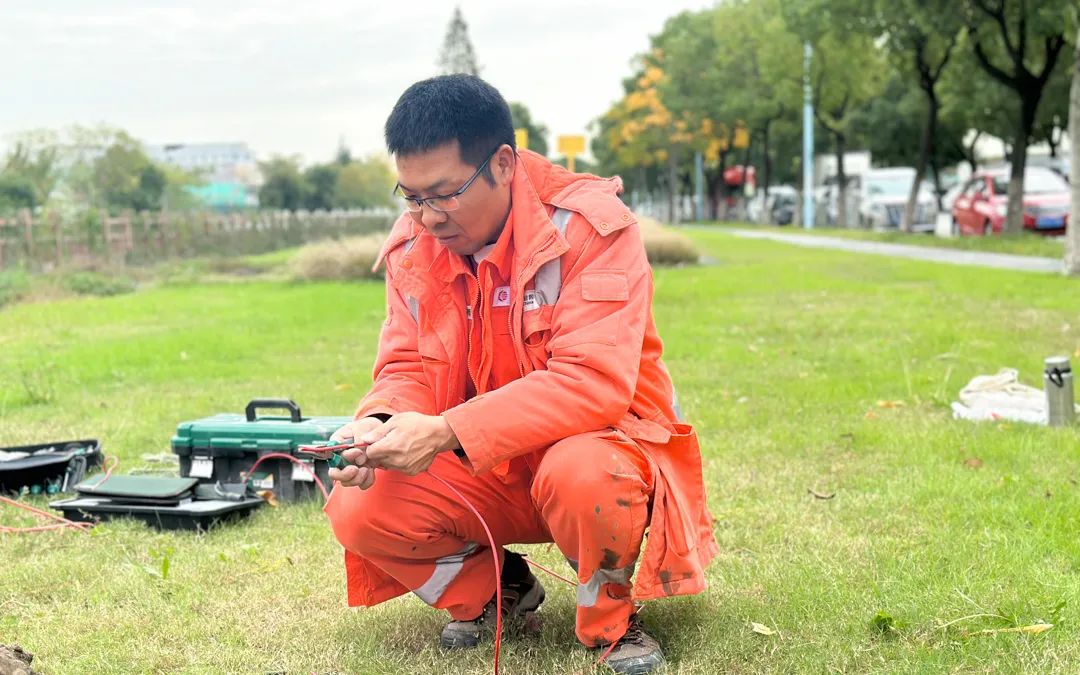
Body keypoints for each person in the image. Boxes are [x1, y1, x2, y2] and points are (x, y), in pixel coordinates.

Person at [323, 74, 717, 674]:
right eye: (411, 196)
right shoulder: (413, 247)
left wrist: (445, 430)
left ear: (504, 164)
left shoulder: (591, 229)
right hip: (485, 464)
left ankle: (611, 622)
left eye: (444, 193)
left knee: (587, 473)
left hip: (595, 455)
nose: (427, 217)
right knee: (360, 505)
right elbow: (405, 364)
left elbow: (592, 384)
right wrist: (377, 424)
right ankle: (497, 592)